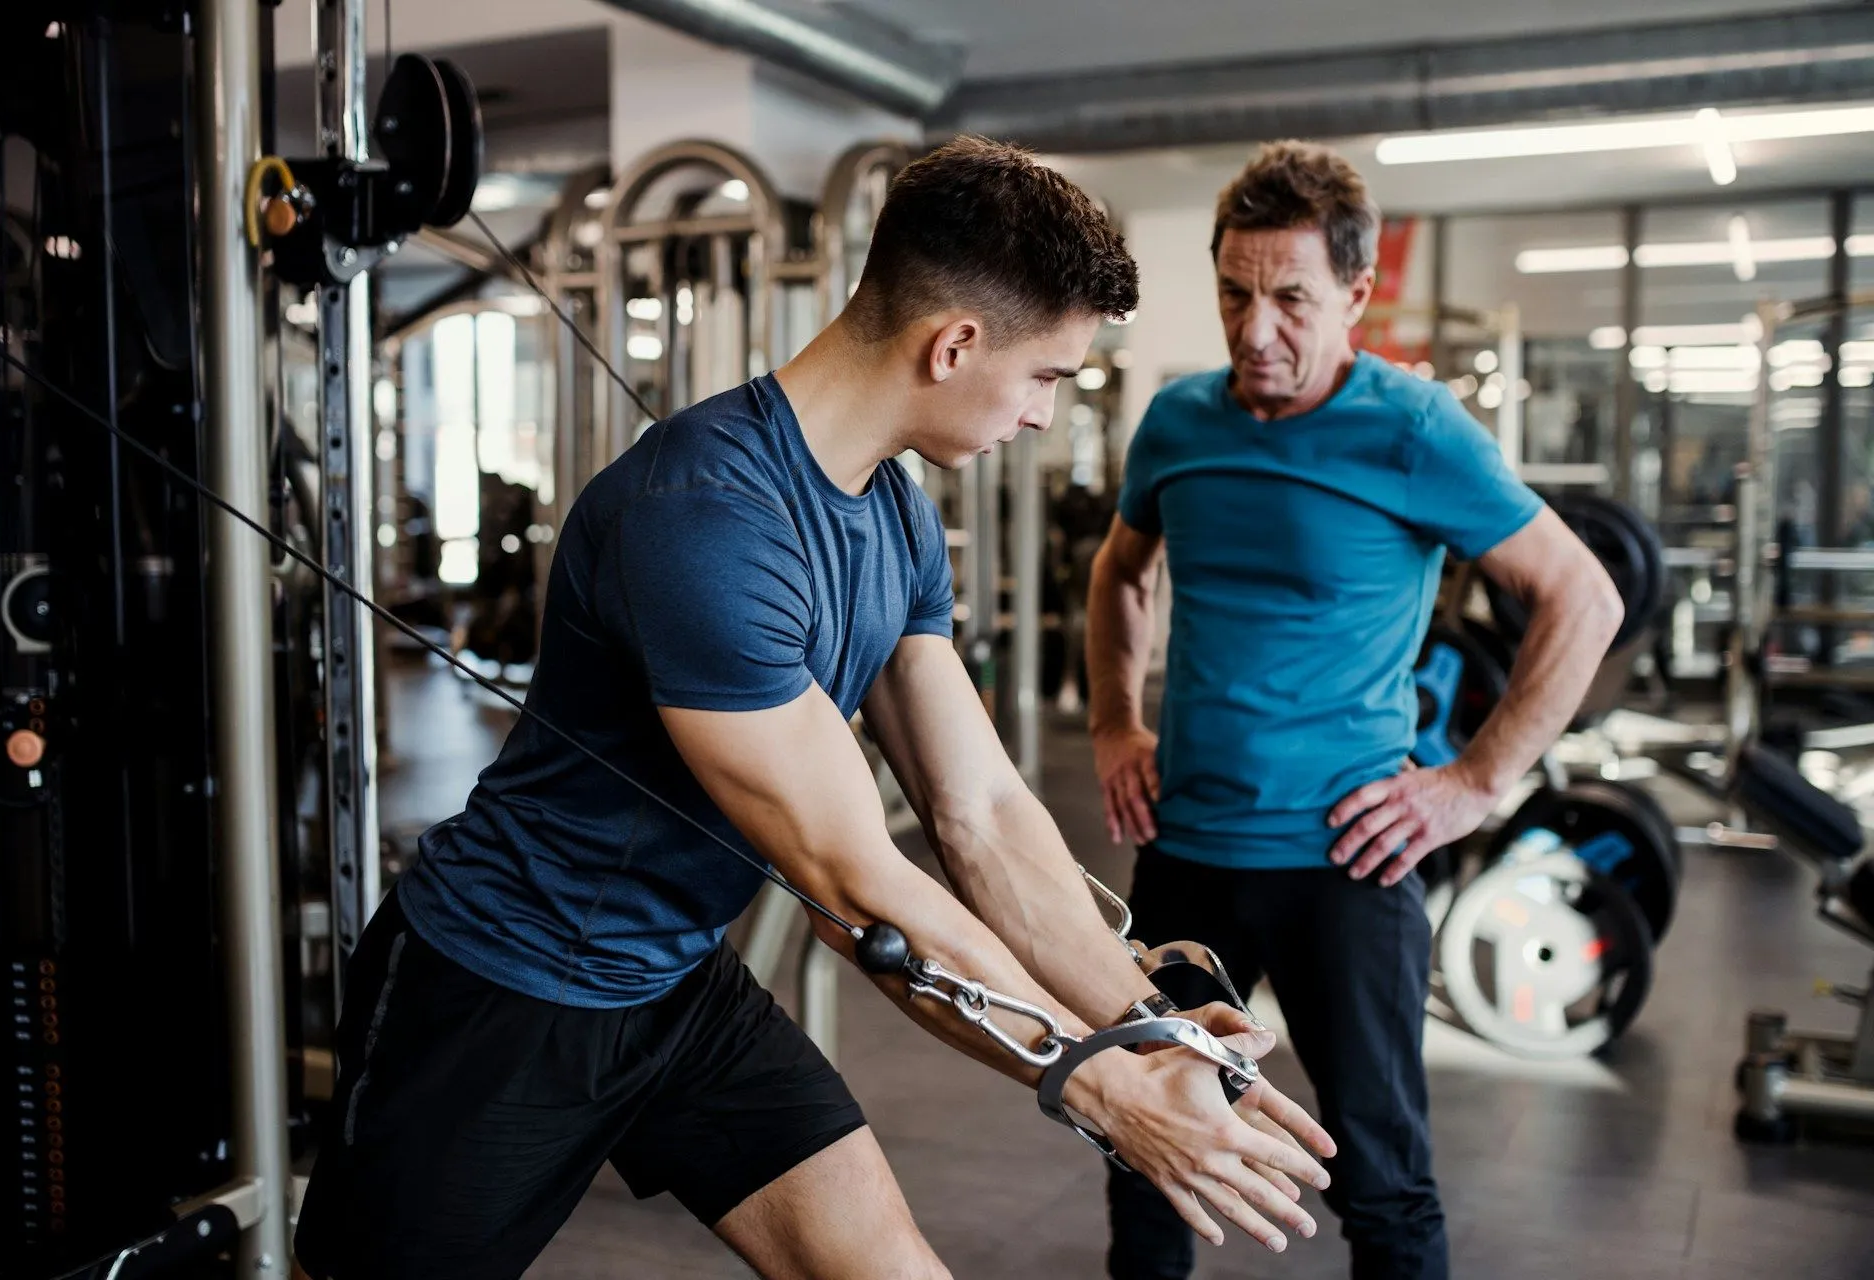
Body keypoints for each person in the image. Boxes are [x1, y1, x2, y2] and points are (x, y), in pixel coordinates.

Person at [294, 137, 1338, 1280]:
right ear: (954, 344)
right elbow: (855, 879)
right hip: (504, 986)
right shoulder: (704, 517)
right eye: (1047, 376)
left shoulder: (891, 515)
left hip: (676, 980)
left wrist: (1152, 1021)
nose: (1045, 414)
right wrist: (1103, 1085)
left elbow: (979, 809)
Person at [1086, 141, 1624, 1280]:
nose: (1255, 327)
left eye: (1290, 297)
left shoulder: (1415, 430)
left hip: (1347, 861)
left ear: (1357, 295)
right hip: (1186, 854)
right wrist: (1111, 722)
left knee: (1381, 1180)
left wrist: (1474, 782)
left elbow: (1583, 593)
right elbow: (1121, 571)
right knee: (1144, 1153)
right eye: (1235, 292)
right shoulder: (1179, 424)